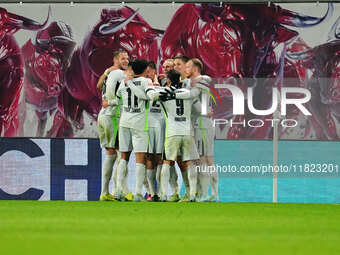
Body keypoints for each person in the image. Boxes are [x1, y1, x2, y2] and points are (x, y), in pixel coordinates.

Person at [149, 69, 200, 201]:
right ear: (180, 80)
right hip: (187, 132)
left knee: (167, 162)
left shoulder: (164, 93)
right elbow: (192, 93)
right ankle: (193, 194)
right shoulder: (187, 92)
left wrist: (155, 85)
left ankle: (164, 194)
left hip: (172, 132)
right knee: (189, 162)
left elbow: (152, 96)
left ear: (169, 80)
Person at [115, 59, 153, 202]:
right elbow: (149, 97)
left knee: (123, 157)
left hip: (124, 122)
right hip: (139, 123)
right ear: (145, 70)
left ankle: (119, 190)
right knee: (140, 158)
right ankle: (138, 192)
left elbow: (118, 96)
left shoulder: (124, 81)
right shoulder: (145, 81)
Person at [97, 49, 129, 201]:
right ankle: (117, 191)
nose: (126, 61)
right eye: (123, 58)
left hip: (105, 116)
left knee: (113, 154)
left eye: (127, 58)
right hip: (112, 116)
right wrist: (111, 102)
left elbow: (98, 86)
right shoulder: (118, 74)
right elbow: (110, 95)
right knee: (120, 154)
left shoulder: (110, 73)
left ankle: (108, 191)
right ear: (116, 59)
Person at [185, 58, 218, 201]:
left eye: (188, 67)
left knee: (204, 160)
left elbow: (199, 106)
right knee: (207, 160)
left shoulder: (199, 82)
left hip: (202, 125)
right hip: (203, 123)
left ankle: (205, 194)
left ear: (195, 68)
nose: (186, 70)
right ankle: (213, 194)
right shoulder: (200, 82)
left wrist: (203, 112)